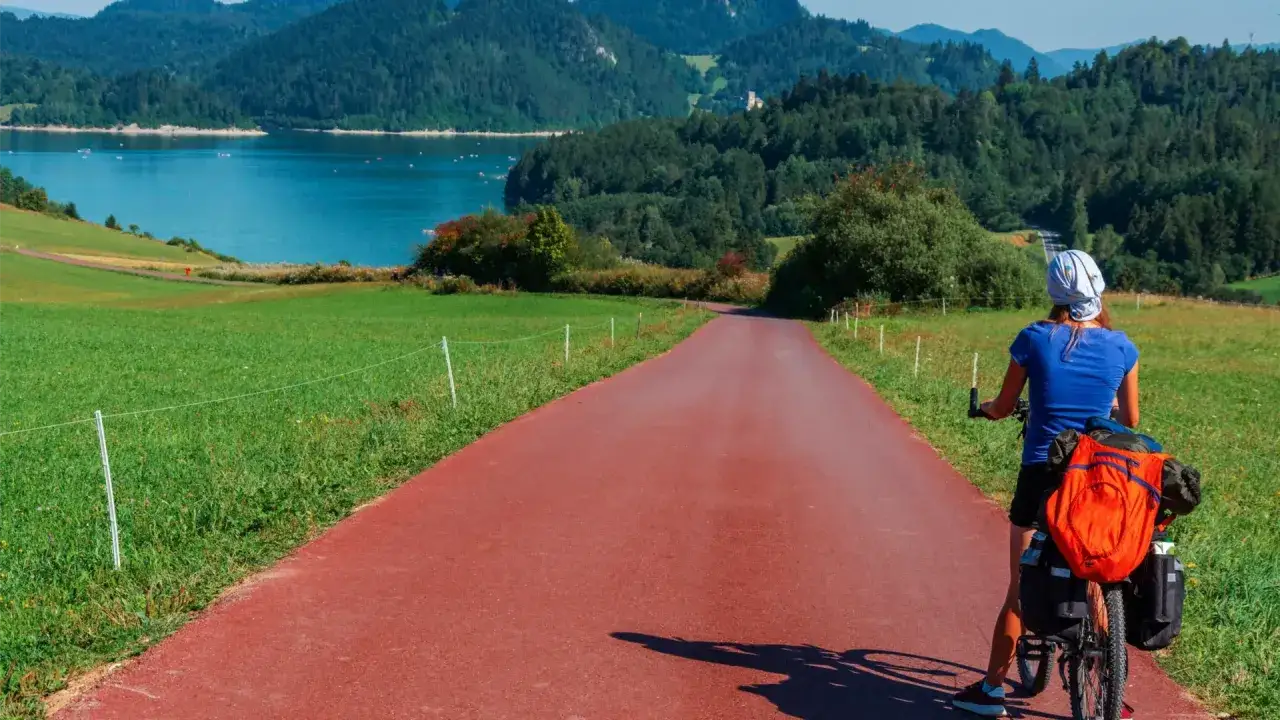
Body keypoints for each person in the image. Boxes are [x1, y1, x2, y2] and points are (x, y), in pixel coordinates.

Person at [951, 249, 1140, 718]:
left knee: (1019, 584)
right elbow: (1131, 419)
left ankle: (993, 691)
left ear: (1054, 293)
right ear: (1098, 290)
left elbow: (1004, 403)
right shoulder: (1122, 347)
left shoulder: (1034, 339)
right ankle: (1109, 671)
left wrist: (988, 409)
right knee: (1097, 571)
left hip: (1042, 475)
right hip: (1099, 475)